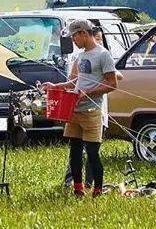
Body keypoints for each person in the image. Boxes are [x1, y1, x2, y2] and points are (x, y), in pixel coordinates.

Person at [41, 19, 117, 198]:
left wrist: (89, 92)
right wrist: (58, 86)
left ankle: (97, 191)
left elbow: (112, 84)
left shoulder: (103, 55)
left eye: (74, 36)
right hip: (74, 110)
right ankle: (78, 188)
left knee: (92, 153)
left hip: (92, 111)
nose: (73, 40)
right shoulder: (81, 56)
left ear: (83, 33)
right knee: (74, 152)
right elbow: (78, 81)